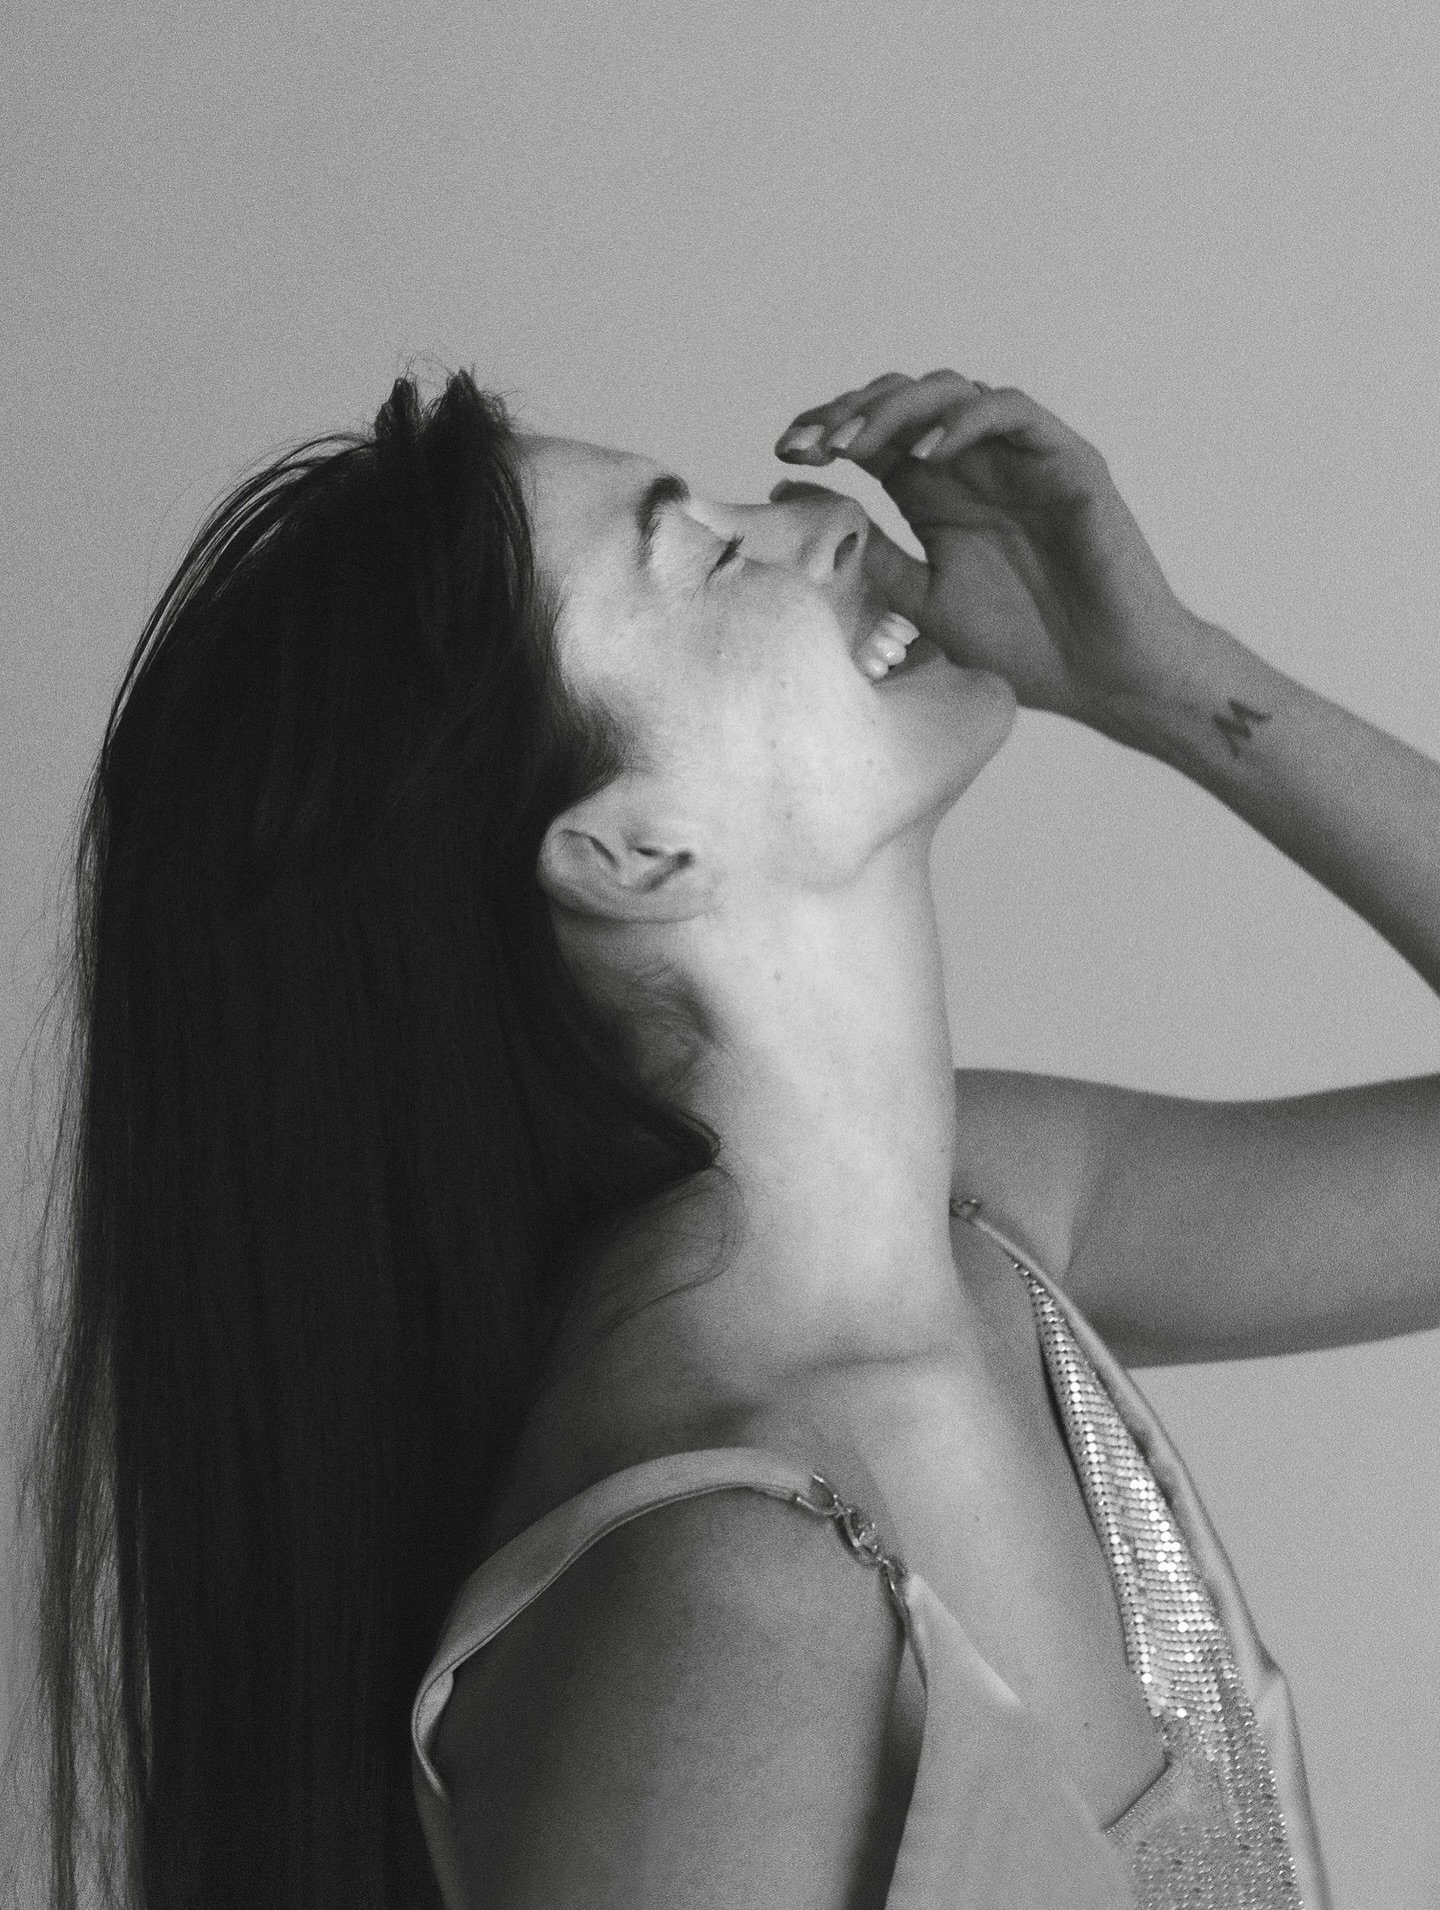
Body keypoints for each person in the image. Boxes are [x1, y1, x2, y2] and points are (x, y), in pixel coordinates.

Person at [28, 365, 1440, 1910]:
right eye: (702, 549)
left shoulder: (1002, 1221)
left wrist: (1164, 681)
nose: (826, 516)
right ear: (634, 852)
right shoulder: (725, 1600)